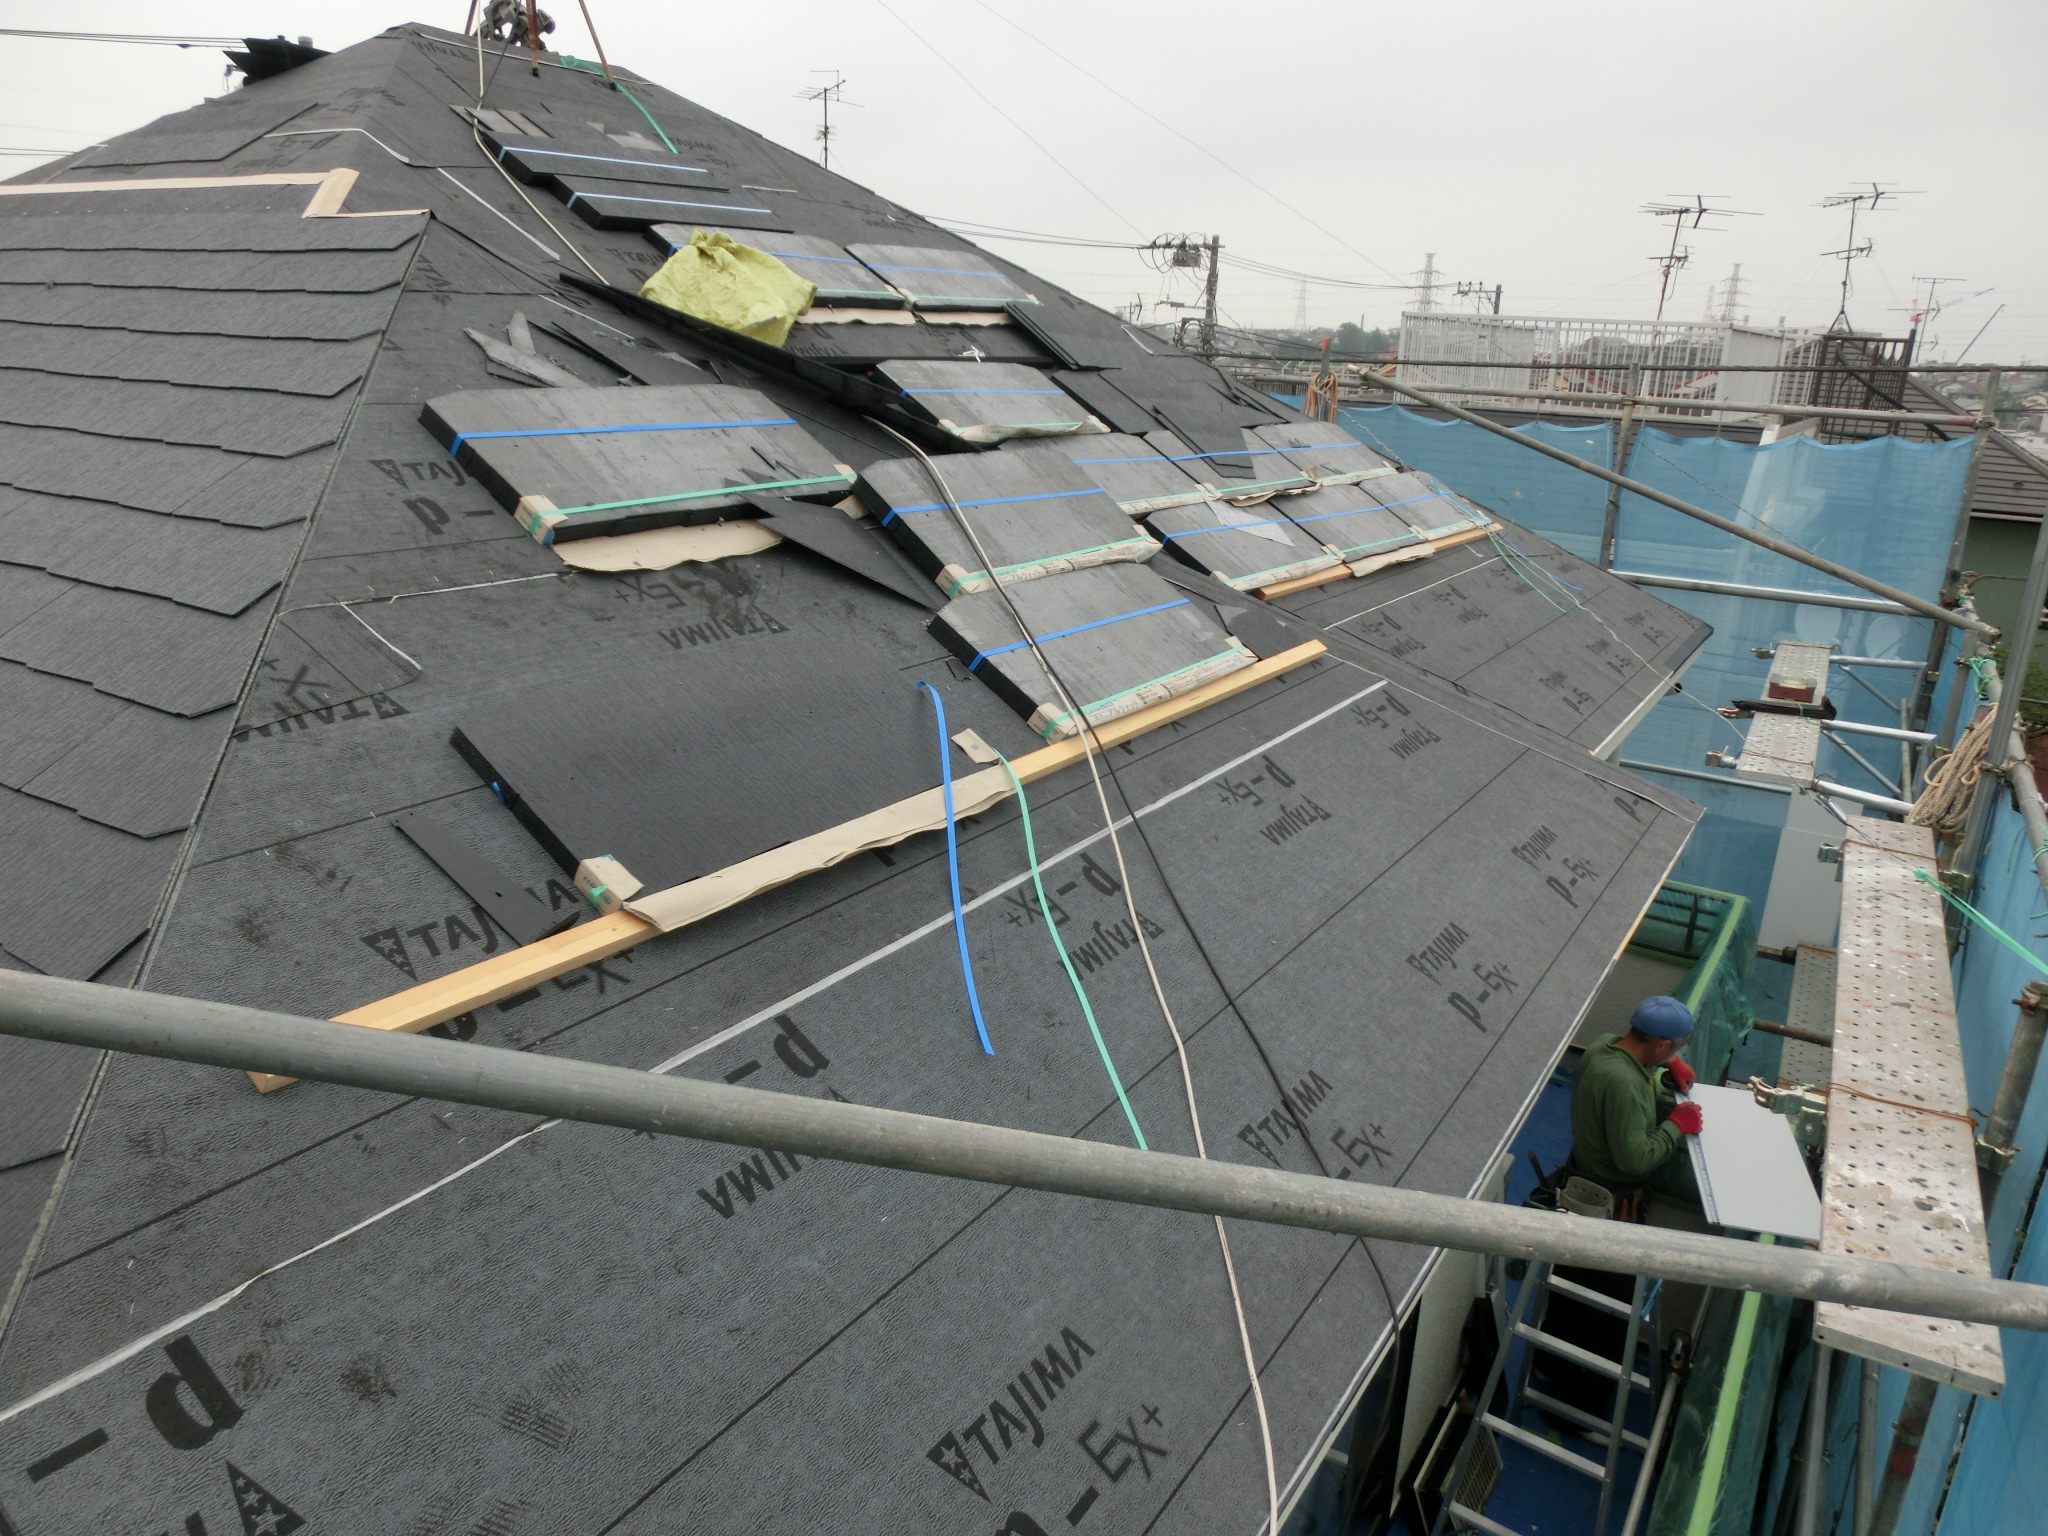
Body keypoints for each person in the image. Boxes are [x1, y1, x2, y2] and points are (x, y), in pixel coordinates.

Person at [1567, 995, 1703, 1212]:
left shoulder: (1602, 1043)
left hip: (1581, 1161)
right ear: (1661, 1045)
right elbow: (1634, 1162)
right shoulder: (1626, 1084)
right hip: (1608, 1186)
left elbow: (1639, 1050)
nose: (1674, 1055)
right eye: (1673, 1050)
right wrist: (1677, 1125)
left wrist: (1670, 1060)